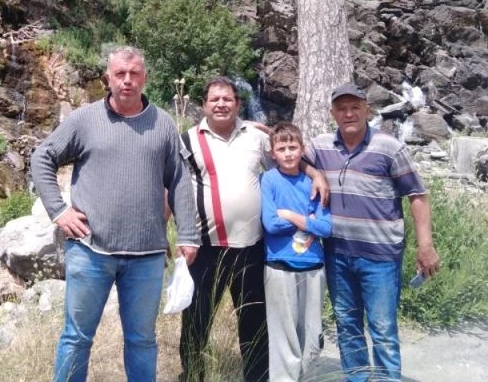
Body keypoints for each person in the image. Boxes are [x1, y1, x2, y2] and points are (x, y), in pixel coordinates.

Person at [32, 46, 199, 382]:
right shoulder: (84, 120)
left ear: (144, 78)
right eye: (120, 74)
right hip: (90, 250)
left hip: (146, 256)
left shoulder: (163, 124)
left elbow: (179, 180)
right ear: (107, 78)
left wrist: (188, 235)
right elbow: (42, 157)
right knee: (76, 338)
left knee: (142, 340)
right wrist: (59, 211)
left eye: (134, 73)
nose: (127, 80)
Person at [179, 77, 329, 382]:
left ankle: (257, 378)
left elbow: (287, 158)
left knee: (254, 321)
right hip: (206, 246)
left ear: (238, 103)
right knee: (196, 319)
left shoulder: (256, 137)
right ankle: (193, 375)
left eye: (227, 99)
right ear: (203, 105)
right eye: (214, 99)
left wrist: (316, 174)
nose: (221, 104)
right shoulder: (188, 140)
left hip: (251, 247)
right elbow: (172, 185)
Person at [305, 83, 441, 382]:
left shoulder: (389, 147)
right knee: (347, 325)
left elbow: (417, 195)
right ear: (332, 113)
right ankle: (357, 378)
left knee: (382, 329)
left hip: (380, 257)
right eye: (341, 108)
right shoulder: (320, 146)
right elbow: (289, 157)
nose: (348, 114)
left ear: (367, 110)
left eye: (355, 107)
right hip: (337, 254)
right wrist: (314, 172)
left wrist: (426, 245)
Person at [261, 122, 331, 382]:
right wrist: (307, 220)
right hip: (279, 264)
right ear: (273, 153)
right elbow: (270, 223)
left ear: (302, 150)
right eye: (282, 149)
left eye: (293, 147)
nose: (288, 153)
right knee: (283, 333)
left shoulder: (314, 182)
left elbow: (326, 227)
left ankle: (308, 376)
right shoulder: (269, 180)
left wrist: (290, 215)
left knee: (312, 331)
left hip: (313, 265)